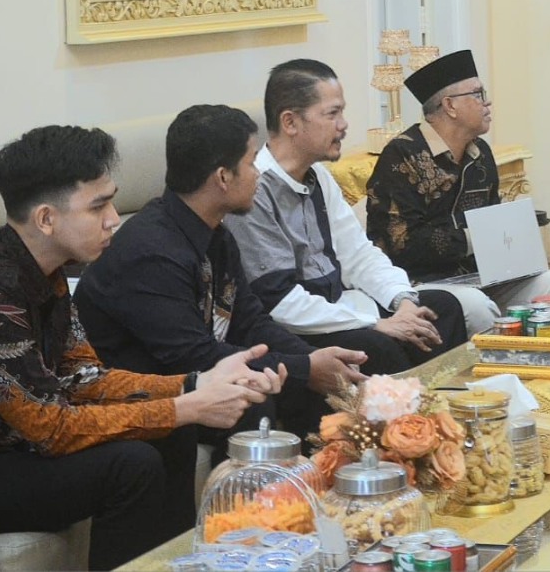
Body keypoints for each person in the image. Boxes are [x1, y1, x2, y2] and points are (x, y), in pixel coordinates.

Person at [0, 125, 282, 570]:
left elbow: (85, 377)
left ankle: (180, 565)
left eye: (112, 202)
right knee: (131, 464)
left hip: (20, 444)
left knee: (169, 432)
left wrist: (195, 383)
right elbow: (48, 427)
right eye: (98, 206)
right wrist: (184, 406)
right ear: (46, 219)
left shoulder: (47, 266)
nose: (115, 219)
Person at [76, 105, 370, 444]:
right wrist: (305, 369)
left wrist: (311, 359)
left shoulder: (217, 235)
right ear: (223, 177)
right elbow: (193, 357)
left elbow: (250, 321)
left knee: (327, 376)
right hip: (145, 394)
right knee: (251, 399)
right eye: (251, 163)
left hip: (195, 372)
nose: (259, 174)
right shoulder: (150, 252)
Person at [225, 59, 468, 375]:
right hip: (294, 327)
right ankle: (409, 405)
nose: (343, 125)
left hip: (339, 306)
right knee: (376, 345)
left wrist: (403, 302)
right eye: (332, 114)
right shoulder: (255, 190)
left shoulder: (319, 176)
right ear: (290, 122)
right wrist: (375, 323)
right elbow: (279, 302)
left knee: (441, 310)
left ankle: (444, 402)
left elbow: (359, 255)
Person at [365, 50, 550, 333]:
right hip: (419, 283)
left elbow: (494, 220)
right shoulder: (403, 155)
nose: (487, 102)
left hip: (479, 277)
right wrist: (473, 239)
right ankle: (495, 360)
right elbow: (402, 244)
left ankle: (534, 357)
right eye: (478, 94)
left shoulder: (480, 153)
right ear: (450, 105)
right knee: (476, 306)